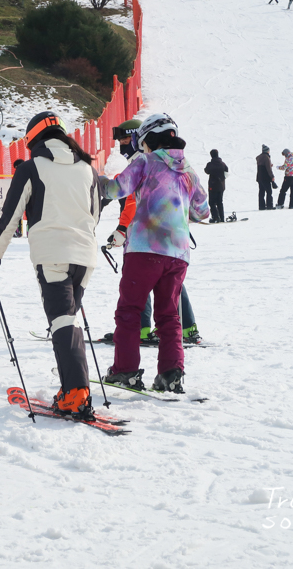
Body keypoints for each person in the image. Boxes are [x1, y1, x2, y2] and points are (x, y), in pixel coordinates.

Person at [0, 112, 101, 419]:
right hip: (85, 257)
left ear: (32, 140)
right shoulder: (88, 168)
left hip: (52, 255)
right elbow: (95, 216)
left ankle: (76, 393)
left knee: (63, 323)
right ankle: (72, 389)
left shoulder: (32, 168)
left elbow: (8, 219)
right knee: (68, 321)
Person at [98, 114, 208, 394]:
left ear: (148, 138)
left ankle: (125, 371)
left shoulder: (145, 162)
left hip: (144, 249)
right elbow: (202, 211)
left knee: (129, 311)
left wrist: (93, 177)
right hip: (178, 253)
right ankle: (171, 375)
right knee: (169, 316)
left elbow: (115, 189)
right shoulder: (189, 171)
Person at [203, 149, 228, 222]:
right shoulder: (222, 164)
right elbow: (227, 170)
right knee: (220, 202)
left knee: (212, 202)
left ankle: (215, 217)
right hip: (221, 186)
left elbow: (207, 171)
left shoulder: (210, 164)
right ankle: (222, 217)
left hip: (213, 185)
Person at [256, 145, 276, 210]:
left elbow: (262, 166)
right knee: (269, 191)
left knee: (261, 191)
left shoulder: (259, 157)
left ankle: (261, 206)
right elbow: (268, 169)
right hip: (265, 177)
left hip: (259, 177)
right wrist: (272, 176)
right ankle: (269, 205)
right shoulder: (266, 157)